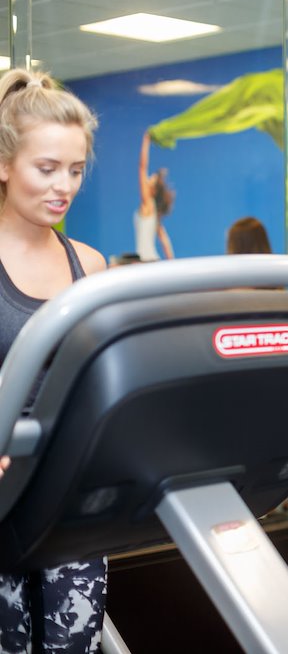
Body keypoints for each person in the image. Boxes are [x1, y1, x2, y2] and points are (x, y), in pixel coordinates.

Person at [0, 68, 108, 653]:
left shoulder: (87, 265)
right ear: (4, 165)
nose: (62, 185)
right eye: (47, 169)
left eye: (76, 170)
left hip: (66, 505)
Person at [135, 131, 174, 261]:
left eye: (152, 179)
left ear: (153, 190)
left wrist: (146, 141)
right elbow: (164, 240)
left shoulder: (147, 202)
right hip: (152, 260)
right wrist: (172, 263)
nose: (148, 177)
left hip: (146, 261)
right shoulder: (154, 214)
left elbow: (142, 167)